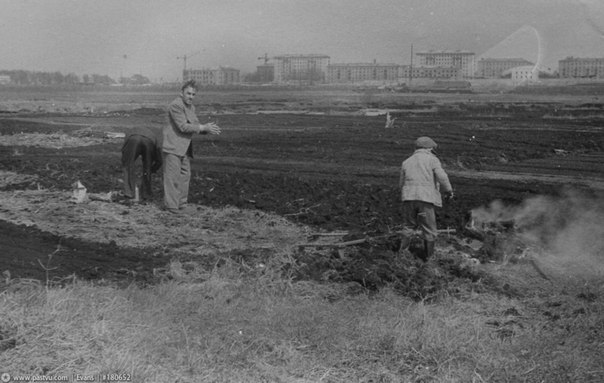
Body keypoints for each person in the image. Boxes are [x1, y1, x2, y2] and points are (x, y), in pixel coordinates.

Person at [162, 79, 221, 213]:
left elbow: (195, 125)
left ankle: (181, 205)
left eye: (193, 95)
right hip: (173, 147)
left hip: (185, 148)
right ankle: (171, 206)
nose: (191, 97)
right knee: (172, 178)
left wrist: (208, 129)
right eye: (188, 94)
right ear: (181, 93)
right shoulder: (175, 105)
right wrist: (202, 127)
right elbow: (183, 126)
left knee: (185, 176)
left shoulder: (191, 107)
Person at [399, 136, 453, 261]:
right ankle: (429, 259)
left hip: (408, 198)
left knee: (408, 226)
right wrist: (449, 190)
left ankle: (401, 255)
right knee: (429, 229)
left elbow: (401, 183)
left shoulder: (407, 161)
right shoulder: (432, 160)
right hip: (425, 199)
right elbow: (442, 177)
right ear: (429, 148)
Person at [121, 126, 162, 202]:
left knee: (127, 166)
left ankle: (129, 193)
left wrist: (125, 160)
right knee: (147, 168)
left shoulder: (130, 132)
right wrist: (152, 169)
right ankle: (146, 194)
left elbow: (124, 152)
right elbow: (159, 160)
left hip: (133, 139)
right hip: (149, 141)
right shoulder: (154, 135)